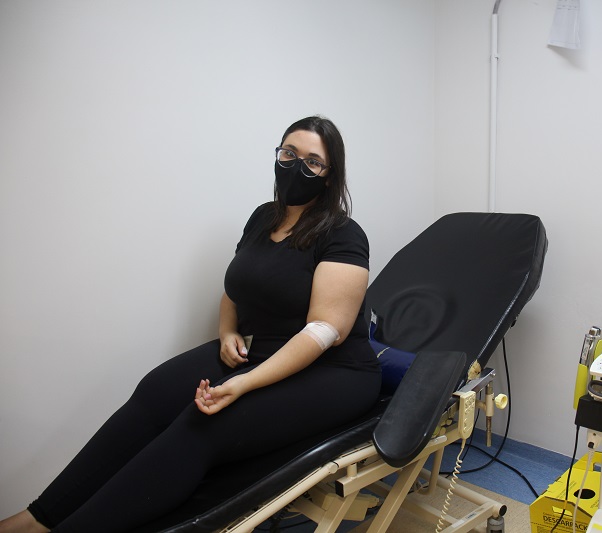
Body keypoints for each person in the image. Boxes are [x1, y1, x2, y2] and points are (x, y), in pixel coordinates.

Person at [0, 116, 382, 533]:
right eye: (289, 154)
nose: (296, 167)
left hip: (334, 371)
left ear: (330, 175)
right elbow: (237, 288)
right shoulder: (264, 218)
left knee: (205, 423)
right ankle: (37, 519)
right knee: (155, 391)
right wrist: (227, 331)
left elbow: (324, 331)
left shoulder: (343, 234)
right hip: (264, 349)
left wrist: (244, 382)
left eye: (312, 162)